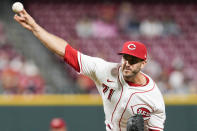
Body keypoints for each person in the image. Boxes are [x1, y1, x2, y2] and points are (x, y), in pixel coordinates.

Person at [14, 9, 166, 131]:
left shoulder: (153, 98)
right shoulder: (105, 70)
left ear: (143, 63)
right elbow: (66, 51)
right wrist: (35, 28)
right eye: (125, 58)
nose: (127, 63)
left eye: (133, 60)